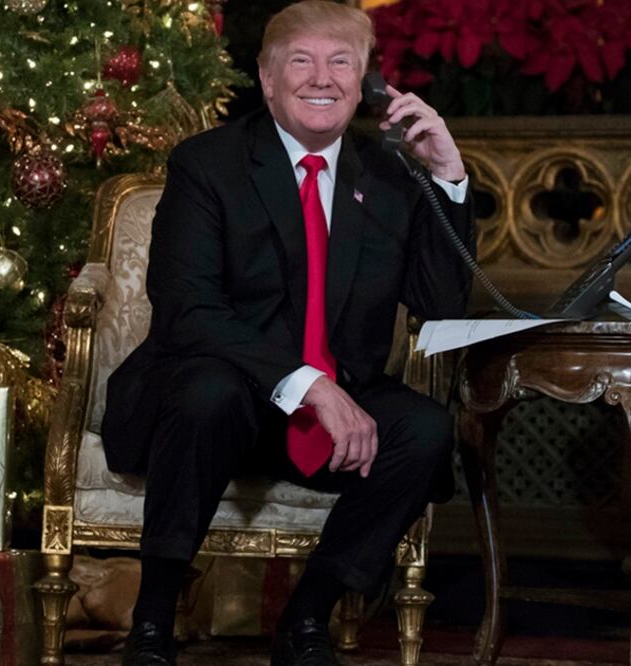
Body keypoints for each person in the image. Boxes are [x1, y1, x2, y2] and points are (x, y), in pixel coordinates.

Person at [100, 2, 474, 664]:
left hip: (330, 412)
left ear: (366, 83)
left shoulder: (390, 177)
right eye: (301, 60)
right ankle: (152, 622)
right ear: (267, 79)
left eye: (341, 62)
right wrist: (309, 386)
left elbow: (438, 302)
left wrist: (447, 175)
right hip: (217, 399)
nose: (321, 78)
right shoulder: (208, 164)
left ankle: (306, 619)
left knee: (424, 430)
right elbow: (187, 309)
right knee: (208, 392)